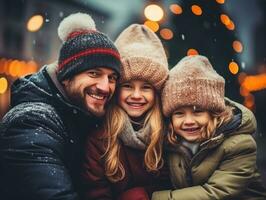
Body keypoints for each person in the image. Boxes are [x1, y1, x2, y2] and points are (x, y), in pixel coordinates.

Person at [0, 12, 121, 200]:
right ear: (66, 77)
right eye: (94, 73)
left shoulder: (85, 114)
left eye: (112, 77)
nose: (105, 87)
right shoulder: (31, 121)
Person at [152, 55, 266, 200]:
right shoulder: (173, 142)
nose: (188, 121)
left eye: (197, 112)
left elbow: (216, 192)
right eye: (179, 113)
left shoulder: (239, 144)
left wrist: (155, 198)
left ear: (214, 113)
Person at [81, 24, 171, 200]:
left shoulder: (168, 135)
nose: (136, 95)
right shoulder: (99, 140)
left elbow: (176, 186)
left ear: (157, 93)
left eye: (146, 87)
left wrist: (142, 194)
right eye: (127, 86)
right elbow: (94, 192)